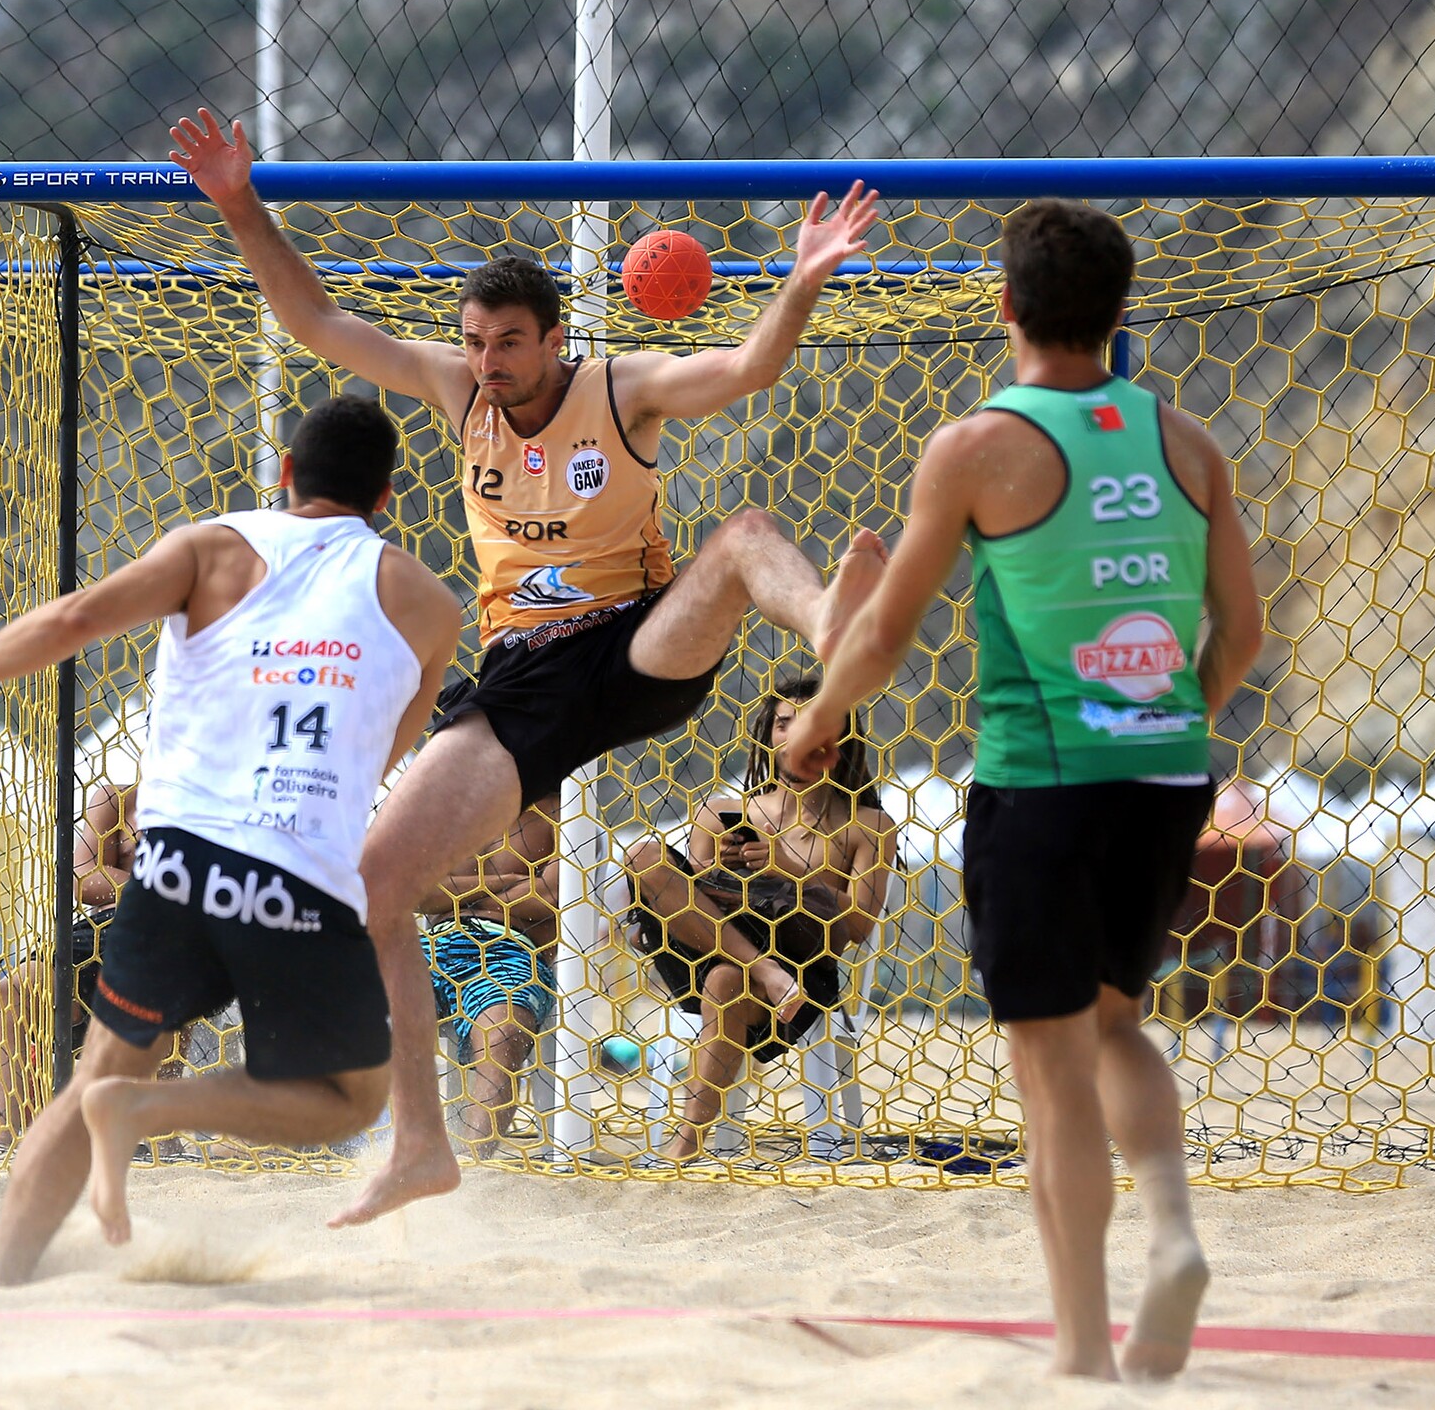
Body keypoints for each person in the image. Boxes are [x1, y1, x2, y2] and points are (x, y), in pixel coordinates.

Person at [166, 108, 889, 1226]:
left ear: (555, 339)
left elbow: (748, 369)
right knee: (374, 887)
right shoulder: (459, 400)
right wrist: (234, 200)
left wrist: (798, 283)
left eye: (507, 342)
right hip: (523, 680)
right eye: (473, 341)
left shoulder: (623, 389)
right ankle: (420, 1144)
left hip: (641, 643)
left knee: (743, 537)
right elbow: (313, 320)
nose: (486, 362)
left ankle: (837, 624)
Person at [780, 199, 1264, 1382]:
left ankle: (1082, 1352)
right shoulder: (1188, 443)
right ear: (1118, 313)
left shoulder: (976, 446)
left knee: (1048, 1073)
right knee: (1115, 1028)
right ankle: (1176, 1230)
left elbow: (888, 630)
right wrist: (1170, 721)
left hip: (1041, 780)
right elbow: (1241, 635)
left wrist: (817, 722)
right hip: (1164, 773)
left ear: (1006, 309)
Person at [0, 394, 460, 1284]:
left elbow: (78, 618)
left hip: (174, 867)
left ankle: (0, 1272)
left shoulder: (212, 547)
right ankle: (147, 1113)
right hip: (295, 882)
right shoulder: (429, 606)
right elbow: (380, 754)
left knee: (93, 1072)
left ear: (285, 475)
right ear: (387, 498)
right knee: (351, 1095)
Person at [621, 676, 893, 1161]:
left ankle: (682, 1149)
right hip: (708, 952)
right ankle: (762, 970)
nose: (794, 735)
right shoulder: (721, 811)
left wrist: (782, 868)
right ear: (768, 736)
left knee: (728, 981)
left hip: (802, 971)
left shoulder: (867, 825)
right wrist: (716, 870)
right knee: (644, 855)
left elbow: (858, 928)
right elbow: (688, 901)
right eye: (782, 723)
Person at [0, 781, 180, 1147]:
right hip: (107, 928)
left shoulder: (223, 795)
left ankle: (160, 1136)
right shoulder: (119, 798)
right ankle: (5, 1140)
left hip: (177, 937)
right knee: (4, 999)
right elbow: (81, 876)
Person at [418, 795, 559, 1152]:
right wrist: (504, 882)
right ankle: (353, 1144)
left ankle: (469, 1166)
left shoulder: (568, 808)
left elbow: (553, 895)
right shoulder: (453, 804)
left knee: (503, 1033)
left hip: (512, 949)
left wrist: (462, 892)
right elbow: (420, 893)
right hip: (433, 944)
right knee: (357, 1000)